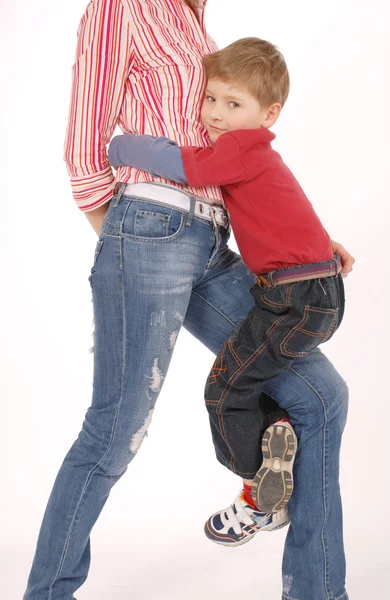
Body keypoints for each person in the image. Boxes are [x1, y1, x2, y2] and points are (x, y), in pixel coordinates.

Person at [23, 2, 354, 600]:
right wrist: (128, 235)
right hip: (149, 229)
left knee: (322, 395)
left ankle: (318, 593)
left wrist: (301, 240)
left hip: (215, 238)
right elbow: (85, 141)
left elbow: (233, 158)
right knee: (116, 430)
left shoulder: (199, 27)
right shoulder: (120, 8)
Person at [108, 35, 346, 545]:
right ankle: (276, 439)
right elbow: (287, 211)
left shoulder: (239, 148)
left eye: (233, 104)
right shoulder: (258, 156)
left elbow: (187, 166)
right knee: (247, 381)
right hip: (310, 292)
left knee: (224, 391)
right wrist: (324, 249)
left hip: (294, 299)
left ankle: (260, 498)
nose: (216, 115)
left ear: (269, 114)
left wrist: (123, 145)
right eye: (210, 99)